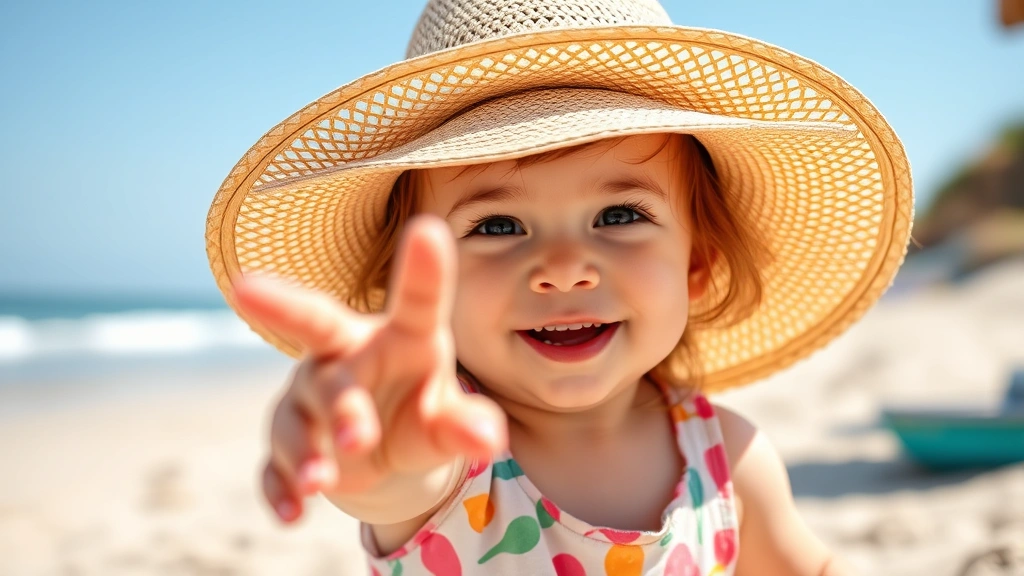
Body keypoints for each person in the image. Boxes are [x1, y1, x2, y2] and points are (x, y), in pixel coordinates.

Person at [205, 0, 913, 574]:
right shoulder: (452, 458)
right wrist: (369, 445)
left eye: (620, 215)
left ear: (697, 267)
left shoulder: (728, 459)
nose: (565, 267)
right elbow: (391, 482)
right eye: (498, 225)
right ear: (414, 288)